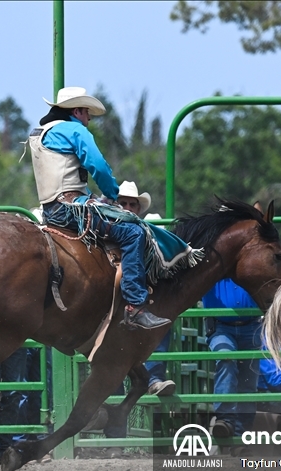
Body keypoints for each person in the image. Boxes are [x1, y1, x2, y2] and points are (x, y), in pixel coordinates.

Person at [30, 87, 168, 330]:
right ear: (77, 111)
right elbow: (99, 166)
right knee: (133, 232)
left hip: (50, 208)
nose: (89, 119)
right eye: (87, 113)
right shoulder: (74, 130)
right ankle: (135, 305)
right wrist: (113, 195)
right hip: (70, 209)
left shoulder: (38, 133)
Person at [118, 182, 177, 396]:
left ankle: (154, 379)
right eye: (122, 203)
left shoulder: (145, 234)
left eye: (132, 204)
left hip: (142, 300)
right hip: (115, 302)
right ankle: (113, 392)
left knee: (160, 325)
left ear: (138, 209)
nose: (127, 208)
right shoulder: (105, 232)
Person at [203, 279, 262, 439]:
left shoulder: (249, 260)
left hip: (251, 324)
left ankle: (242, 435)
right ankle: (225, 420)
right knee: (226, 357)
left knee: (248, 382)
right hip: (221, 325)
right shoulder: (213, 260)